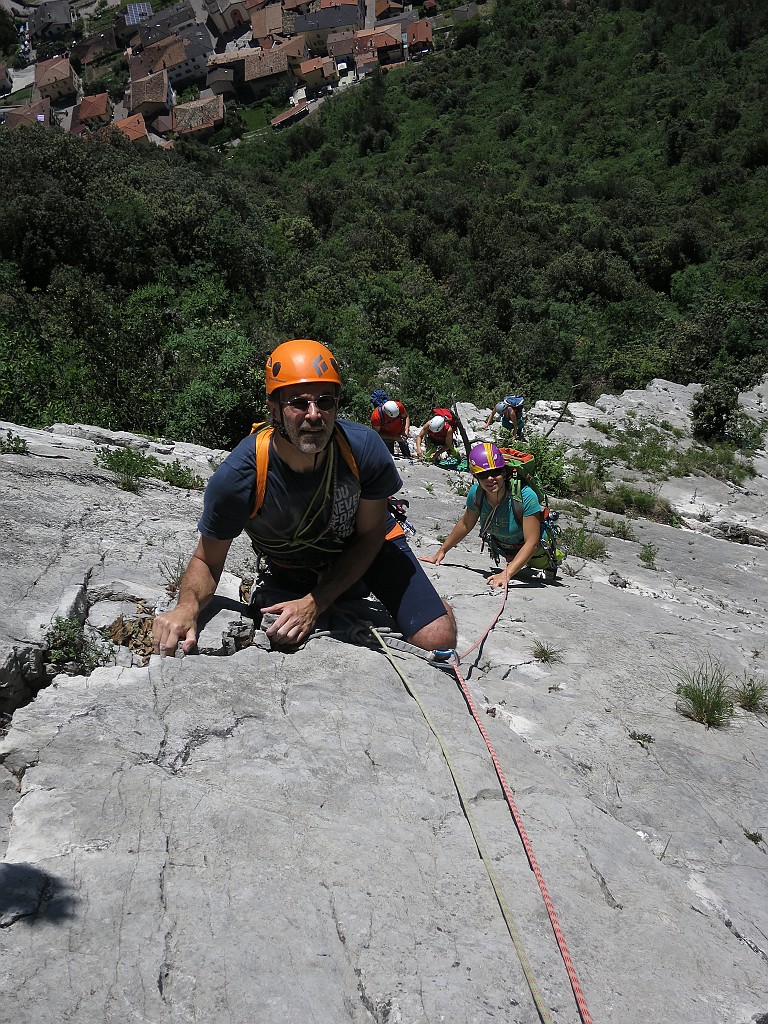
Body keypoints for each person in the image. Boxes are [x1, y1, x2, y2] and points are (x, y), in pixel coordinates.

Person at [152, 339, 456, 654]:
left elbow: (370, 536)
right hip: (292, 566)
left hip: (368, 548)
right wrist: (186, 608)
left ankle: (427, 602)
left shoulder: (363, 450)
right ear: (273, 410)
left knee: (437, 637)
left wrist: (315, 603)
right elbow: (207, 558)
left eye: (325, 401)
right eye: (299, 402)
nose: (314, 415)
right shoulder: (239, 477)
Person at [420, 442, 547, 588]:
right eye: (483, 475)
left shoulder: (525, 496)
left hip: (536, 553)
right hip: (504, 548)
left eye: (495, 472)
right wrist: (441, 551)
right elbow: (465, 524)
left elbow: (532, 542)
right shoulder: (477, 494)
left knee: (540, 562)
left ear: (504, 472)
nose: (490, 479)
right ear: (476, 477)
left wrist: (506, 574)